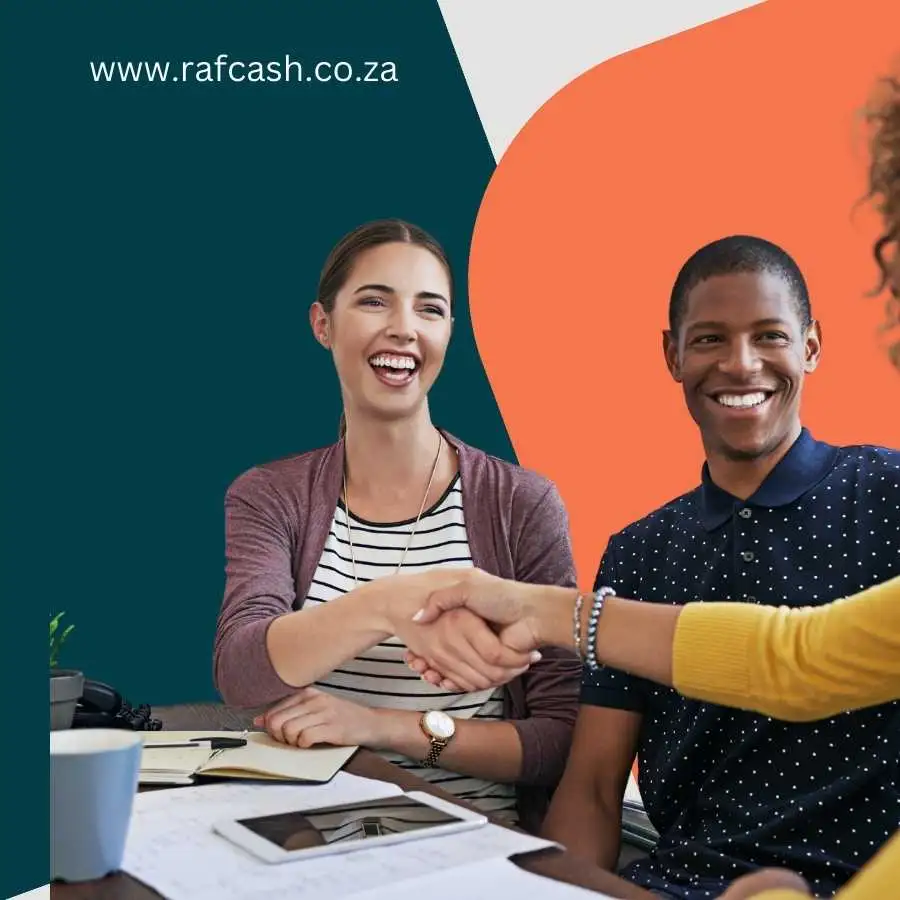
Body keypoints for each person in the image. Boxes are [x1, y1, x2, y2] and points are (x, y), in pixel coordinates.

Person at [212, 218, 582, 833]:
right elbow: (242, 671)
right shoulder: (269, 496)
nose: (403, 328)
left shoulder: (521, 502)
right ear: (322, 324)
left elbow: (561, 740)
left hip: (469, 847)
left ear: (448, 335)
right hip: (303, 843)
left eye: (429, 309)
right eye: (374, 301)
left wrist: (385, 729)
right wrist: (388, 605)